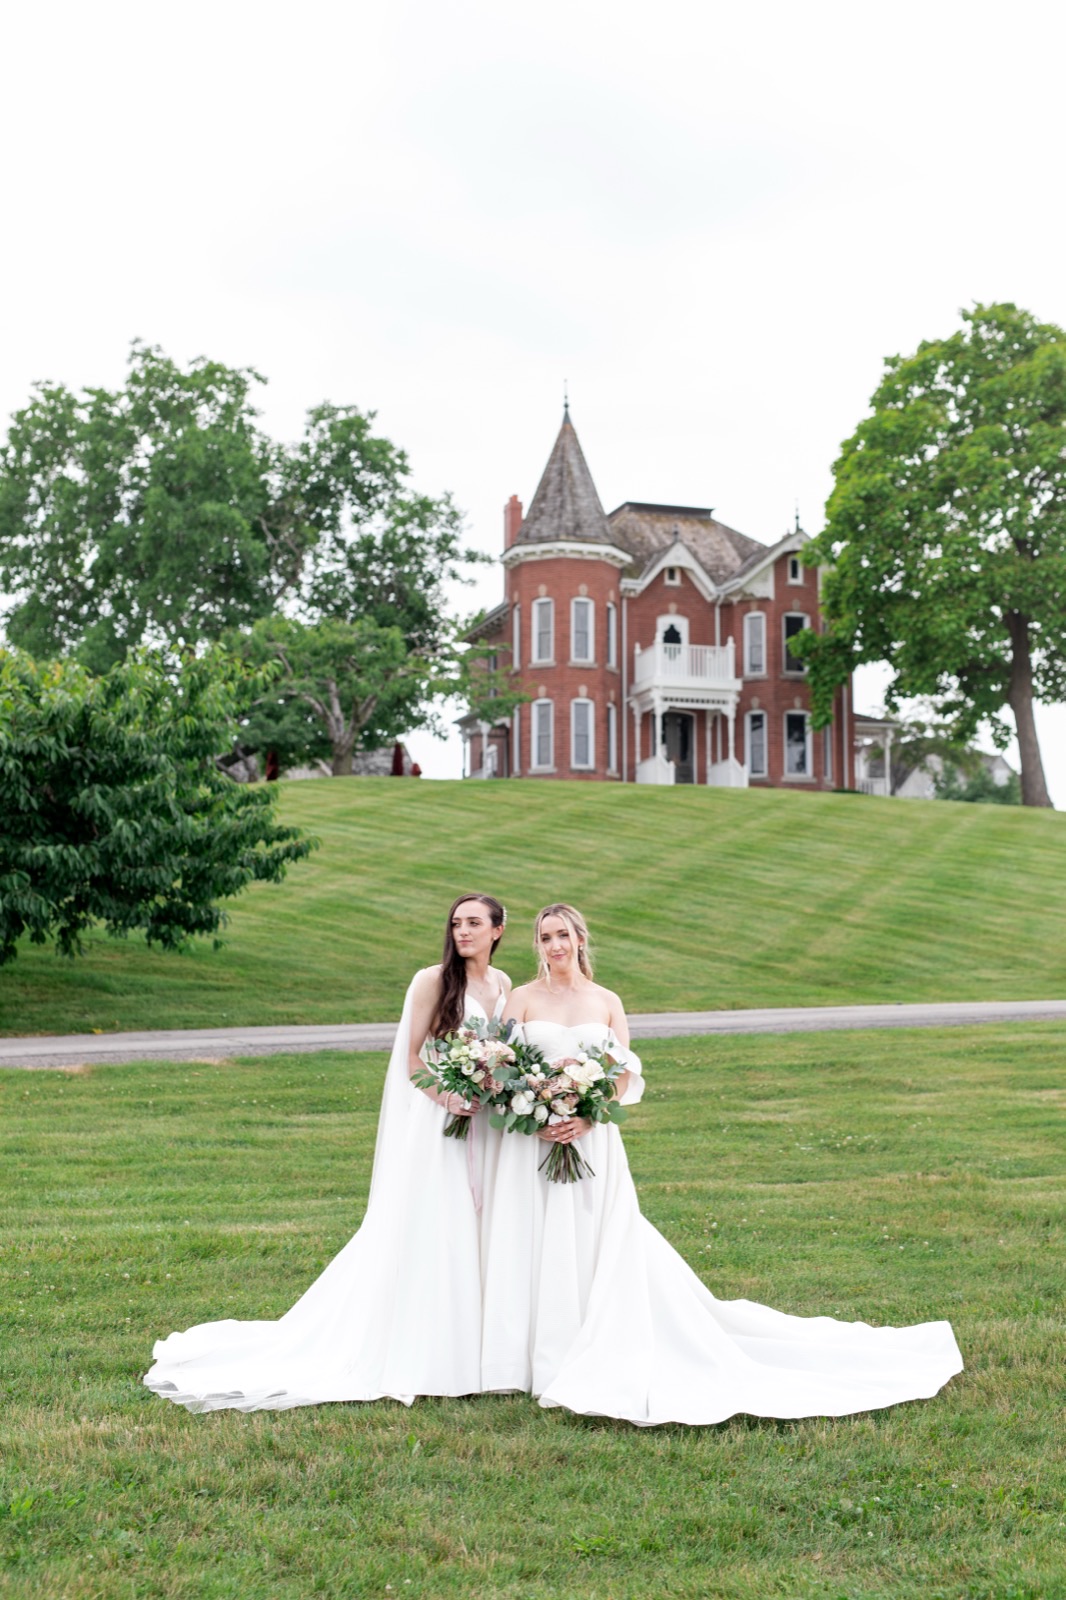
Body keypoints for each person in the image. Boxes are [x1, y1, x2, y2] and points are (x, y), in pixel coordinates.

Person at [480, 902, 963, 1426]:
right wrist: (539, 1109)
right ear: (537, 944)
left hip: (592, 1142)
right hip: (536, 1141)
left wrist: (587, 1119)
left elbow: (621, 1074)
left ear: (579, 940)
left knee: (595, 1239)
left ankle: (595, 1340)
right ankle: (533, 1354)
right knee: (537, 1237)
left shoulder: (606, 1000)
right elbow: (502, 1070)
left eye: (563, 936)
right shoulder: (520, 1000)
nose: (554, 946)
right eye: (545, 937)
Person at [144, 893, 510, 1412]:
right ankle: (423, 1352)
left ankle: (474, 1349)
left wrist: (489, 1085)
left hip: (484, 1125)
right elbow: (410, 1059)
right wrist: (447, 1094)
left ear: (497, 930)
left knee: (477, 1226)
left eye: (474, 923)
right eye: (456, 923)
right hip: (440, 1122)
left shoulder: (502, 985)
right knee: (437, 1223)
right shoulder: (432, 981)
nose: (462, 932)